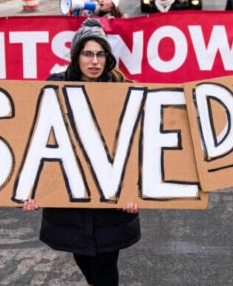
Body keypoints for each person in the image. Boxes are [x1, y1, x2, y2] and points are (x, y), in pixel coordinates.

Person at [23, 18, 140, 286]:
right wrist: (30, 187)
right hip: (70, 204)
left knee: (105, 267)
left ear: (108, 58)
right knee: (85, 261)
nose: (94, 61)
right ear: (76, 57)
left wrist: (134, 190)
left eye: (100, 54)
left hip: (111, 205)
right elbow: (34, 138)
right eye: (88, 54)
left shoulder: (124, 90)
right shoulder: (53, 88)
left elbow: (138, 144)